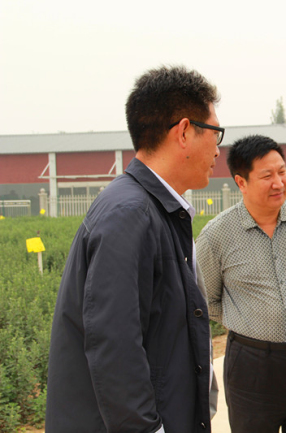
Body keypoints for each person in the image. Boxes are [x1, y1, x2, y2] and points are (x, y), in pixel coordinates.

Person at [46, 65, 223, 433]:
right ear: (184, 132)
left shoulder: (158, 211)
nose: (218, 150)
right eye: (215, 134)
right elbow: (115, 348)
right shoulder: (130, 214)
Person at [196, 134, 286, 433]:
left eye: (282, 172)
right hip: (253, 367)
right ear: (241, 182)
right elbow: (205, 299)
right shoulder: (216, 236)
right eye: (267, 176)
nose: (279, 182)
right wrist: (248, 320)